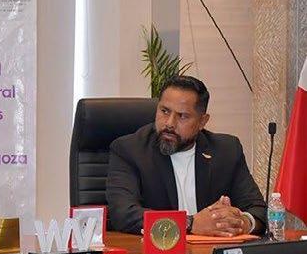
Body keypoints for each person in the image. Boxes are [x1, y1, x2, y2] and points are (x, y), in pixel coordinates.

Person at [107, 75, 267, 236]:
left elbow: (258, 210)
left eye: (182, 116)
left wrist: (241, 223)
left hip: (210, 250)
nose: (169, 123)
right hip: (157, 249)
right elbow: (123, 213)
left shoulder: (226, 151)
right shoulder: (130, 150)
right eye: (164, 111)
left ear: (202, 122)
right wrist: (189, 223)